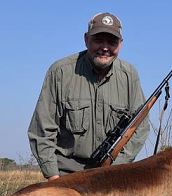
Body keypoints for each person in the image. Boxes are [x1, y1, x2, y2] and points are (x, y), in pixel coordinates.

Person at [28, 12, 150, 181]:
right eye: (99, 39)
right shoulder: (60, 72)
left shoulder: (129, 75)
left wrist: (116, 167)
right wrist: (53, 177)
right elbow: (42, 130)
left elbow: (140, 127)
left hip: (112, 173)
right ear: (86, 39)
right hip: (67, 175)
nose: (105, 47)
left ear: (120, 44)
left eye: (112, 41)